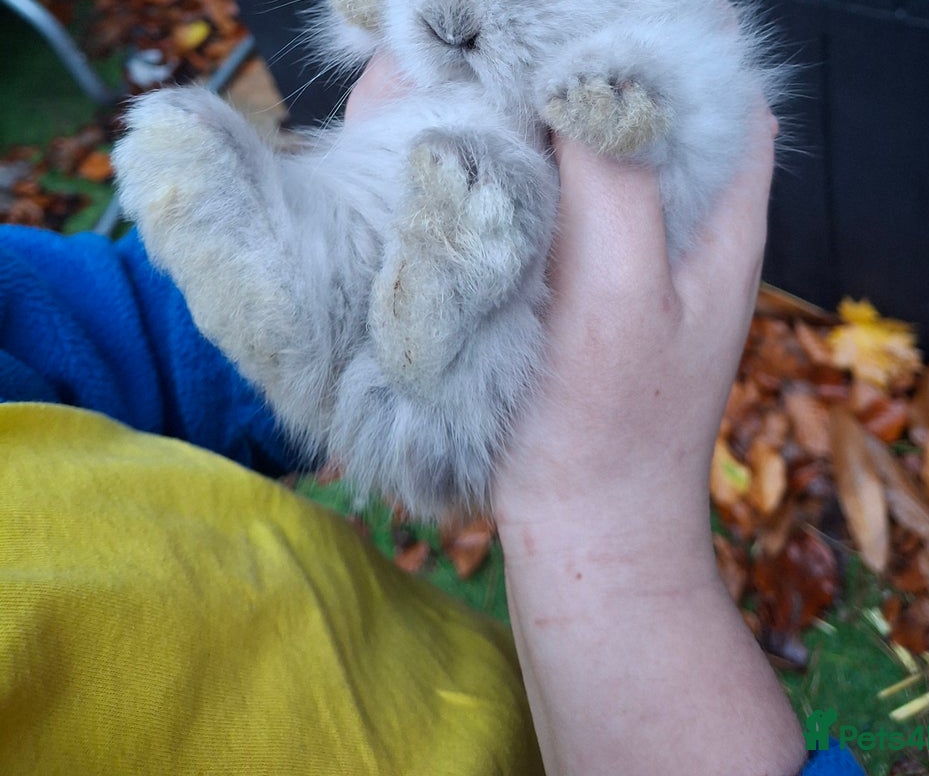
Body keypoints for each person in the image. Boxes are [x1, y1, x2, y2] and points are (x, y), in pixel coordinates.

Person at [0, 56, 857, 773]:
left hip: (437, 682)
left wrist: (326, 272)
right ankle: (435, 330)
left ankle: (400, 319)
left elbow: (110, 342)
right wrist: (602, 516)